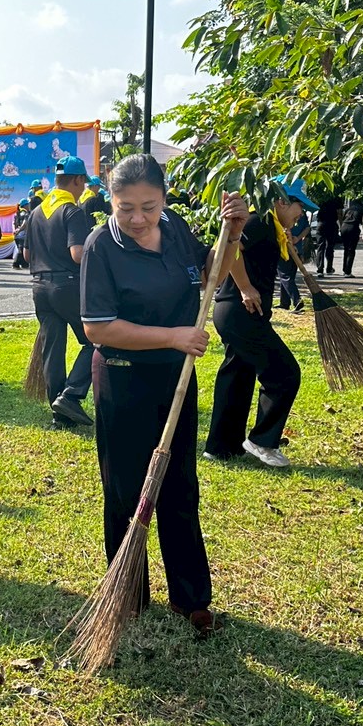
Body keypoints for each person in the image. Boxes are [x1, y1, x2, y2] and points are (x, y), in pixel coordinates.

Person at [79, 154, 248, 634]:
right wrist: (173, 336)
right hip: (123, 376)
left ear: (165, 198)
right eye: (124, 206)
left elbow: (213, 272)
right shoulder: (100, 247)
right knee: (125, 488)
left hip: (175, 379)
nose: (137, 218)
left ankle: (190, 596)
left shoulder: (172, 228)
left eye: (148, 206)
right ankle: (128, 591)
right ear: (110, 199)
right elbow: (97, 329)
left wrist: (232, 233)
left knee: (179, 485)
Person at [204, 189, 302, 469]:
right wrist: (245, 287)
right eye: (299, 207)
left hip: (238, 312)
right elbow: (230, 249)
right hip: (239, 310)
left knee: (238, 375)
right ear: (282, 202)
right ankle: (263, 440)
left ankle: (222, 446)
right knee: (284, 373)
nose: (301, 214)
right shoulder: (258, 221)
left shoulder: (273, 227)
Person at [27, 156, 95, 428]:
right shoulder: (72, 211)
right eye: (83, 184)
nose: (83, 190)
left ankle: (59, 413)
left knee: (53, 349)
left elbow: (26, 253)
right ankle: (71, 395)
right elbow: (78, 254)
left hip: (39, 288)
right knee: (97, 340)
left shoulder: (36, 212)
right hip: (66, 285)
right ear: (77, 180)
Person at [274, 192, 310, 312]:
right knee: (287, 276)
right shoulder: (281, 214)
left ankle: (297, 300)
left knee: (285, 276)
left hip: (289, 248)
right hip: (291, 248)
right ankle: (284, 302)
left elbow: (307, 228)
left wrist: (296, 239)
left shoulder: (298, 214)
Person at [315, 192, 343, 275]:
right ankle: (329, 268)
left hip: (321, 223)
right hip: (331, 224)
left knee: (320, 246)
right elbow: (339, 213)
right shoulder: (336, 198)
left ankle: (320, 269)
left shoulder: (321, 196)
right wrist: (341, 226)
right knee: (330, 247)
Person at [339, 195, 363, 275]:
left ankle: (344, 269)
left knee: (346, 249)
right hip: (353, 228)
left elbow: (342, 218)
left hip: (344, 227)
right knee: (351, 250)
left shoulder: (348, 209)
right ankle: (348, 272)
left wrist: (341, 228)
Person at [12, 196, 31, 269]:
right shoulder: (25, 213)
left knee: (21, 248)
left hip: (17, 235)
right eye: (28, 204)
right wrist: (19, 230)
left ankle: (24, 264)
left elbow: (13, 223)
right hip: (22, 235)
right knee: (21, 250)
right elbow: (25, 223)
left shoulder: (17, 213)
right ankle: (15, 263)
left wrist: (15, 231)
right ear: (25, 205)